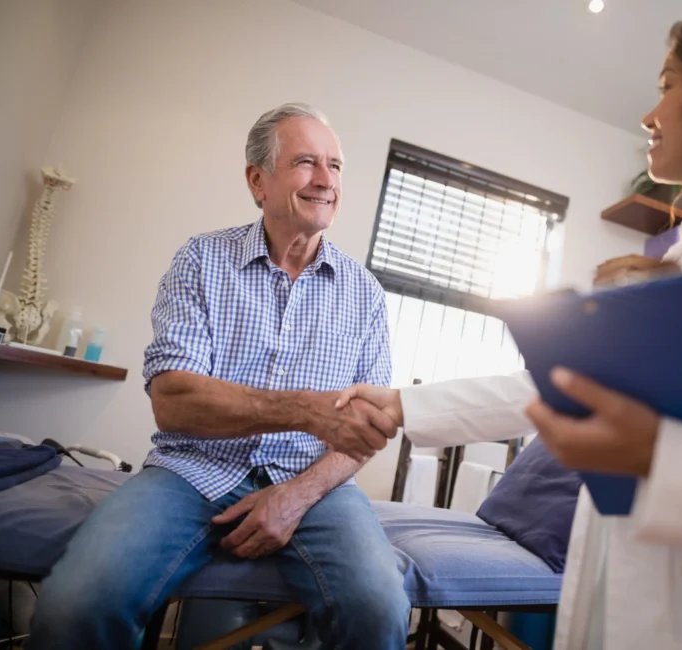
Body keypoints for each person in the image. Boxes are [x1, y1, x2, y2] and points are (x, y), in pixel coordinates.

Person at [335, 1, 682, 648]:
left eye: (666, 86)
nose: (647, 115)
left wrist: (661, 457)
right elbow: (558, 385)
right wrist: (404, 403)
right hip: (623, 580)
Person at [27, 103, 408, 650]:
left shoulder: (365, 294)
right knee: (75, 607)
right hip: (190, 471)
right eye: (306, 162)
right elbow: (175, 401)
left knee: (379, 610)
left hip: (315, 484)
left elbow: (364, 432)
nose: (326, 180)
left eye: (336, 165)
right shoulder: (202, 260)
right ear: (259, 180)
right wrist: (304, 409)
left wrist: (295, 496)